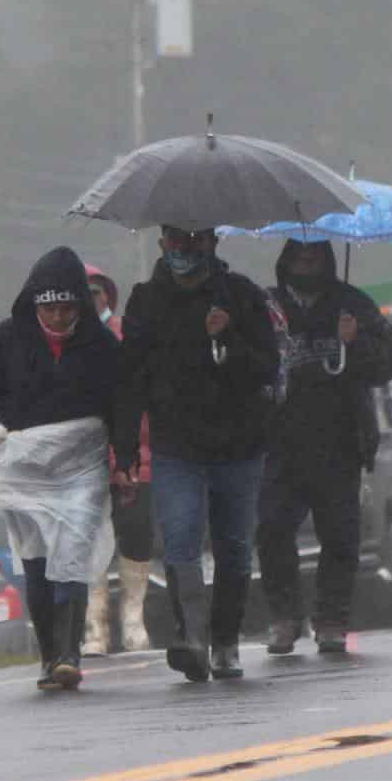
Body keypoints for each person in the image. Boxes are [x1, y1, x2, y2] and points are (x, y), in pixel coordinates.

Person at [115, 225, 279, 682]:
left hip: (239, 445)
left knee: (233, 547)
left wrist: (228, 337)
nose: (185, 250)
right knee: (181, 539)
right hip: (176, 446)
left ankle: (225, 641)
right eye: (176, 239)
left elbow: (267, 366)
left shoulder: (242, 295)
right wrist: (126, 449)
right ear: (163, 242)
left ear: (213, 242)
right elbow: (130, 377)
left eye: (196, 240)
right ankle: (192, 638)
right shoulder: (145, 301)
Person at [0, 247, 119, 690]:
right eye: (48, 308)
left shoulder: (102, 345)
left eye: (66, 307)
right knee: (34, 559)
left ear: (81, 305)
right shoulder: (5, 339)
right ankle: (50, 654)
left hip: (82, 465)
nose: (56, 317)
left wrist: (123, 460)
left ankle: (69, 653)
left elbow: (121, 405)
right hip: (24, 465)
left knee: (72, 552)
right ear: (34, 303)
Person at [257, 241, 392, 655]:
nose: (306, 264)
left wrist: (355, 341)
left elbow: (388, 361)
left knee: (340, 534)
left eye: (314, 257)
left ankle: (332, 618)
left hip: (339, 442)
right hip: (279, 443)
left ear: (327, 260)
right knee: (271, 529)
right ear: (285, 260)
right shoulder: (266, 306)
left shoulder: (352, 304)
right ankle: (286, 616)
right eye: (299, 257)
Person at [81, 265, 155, 657]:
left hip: (136, 454)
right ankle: (95, 626)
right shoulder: (66, 344)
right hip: (84, 461)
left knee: (135, 535)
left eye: (95, 291)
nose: (89, 298)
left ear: (107, 295)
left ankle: (133, 620)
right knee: (91, 539)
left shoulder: (127, 334)